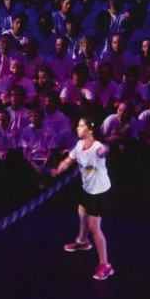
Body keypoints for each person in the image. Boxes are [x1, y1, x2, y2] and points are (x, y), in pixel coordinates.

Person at [51, 117, 114, 281]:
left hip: (99, 192)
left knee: (94, 227)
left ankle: (106, 265)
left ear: (90, 130)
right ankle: (83, 241)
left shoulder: (98, 147)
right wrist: (59, 169)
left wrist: (105, 148)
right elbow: (69, 160)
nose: (77, 128)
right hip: (87, 189)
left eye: (80, 126)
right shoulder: (79, 145)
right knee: (82, 210)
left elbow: (104, 150)